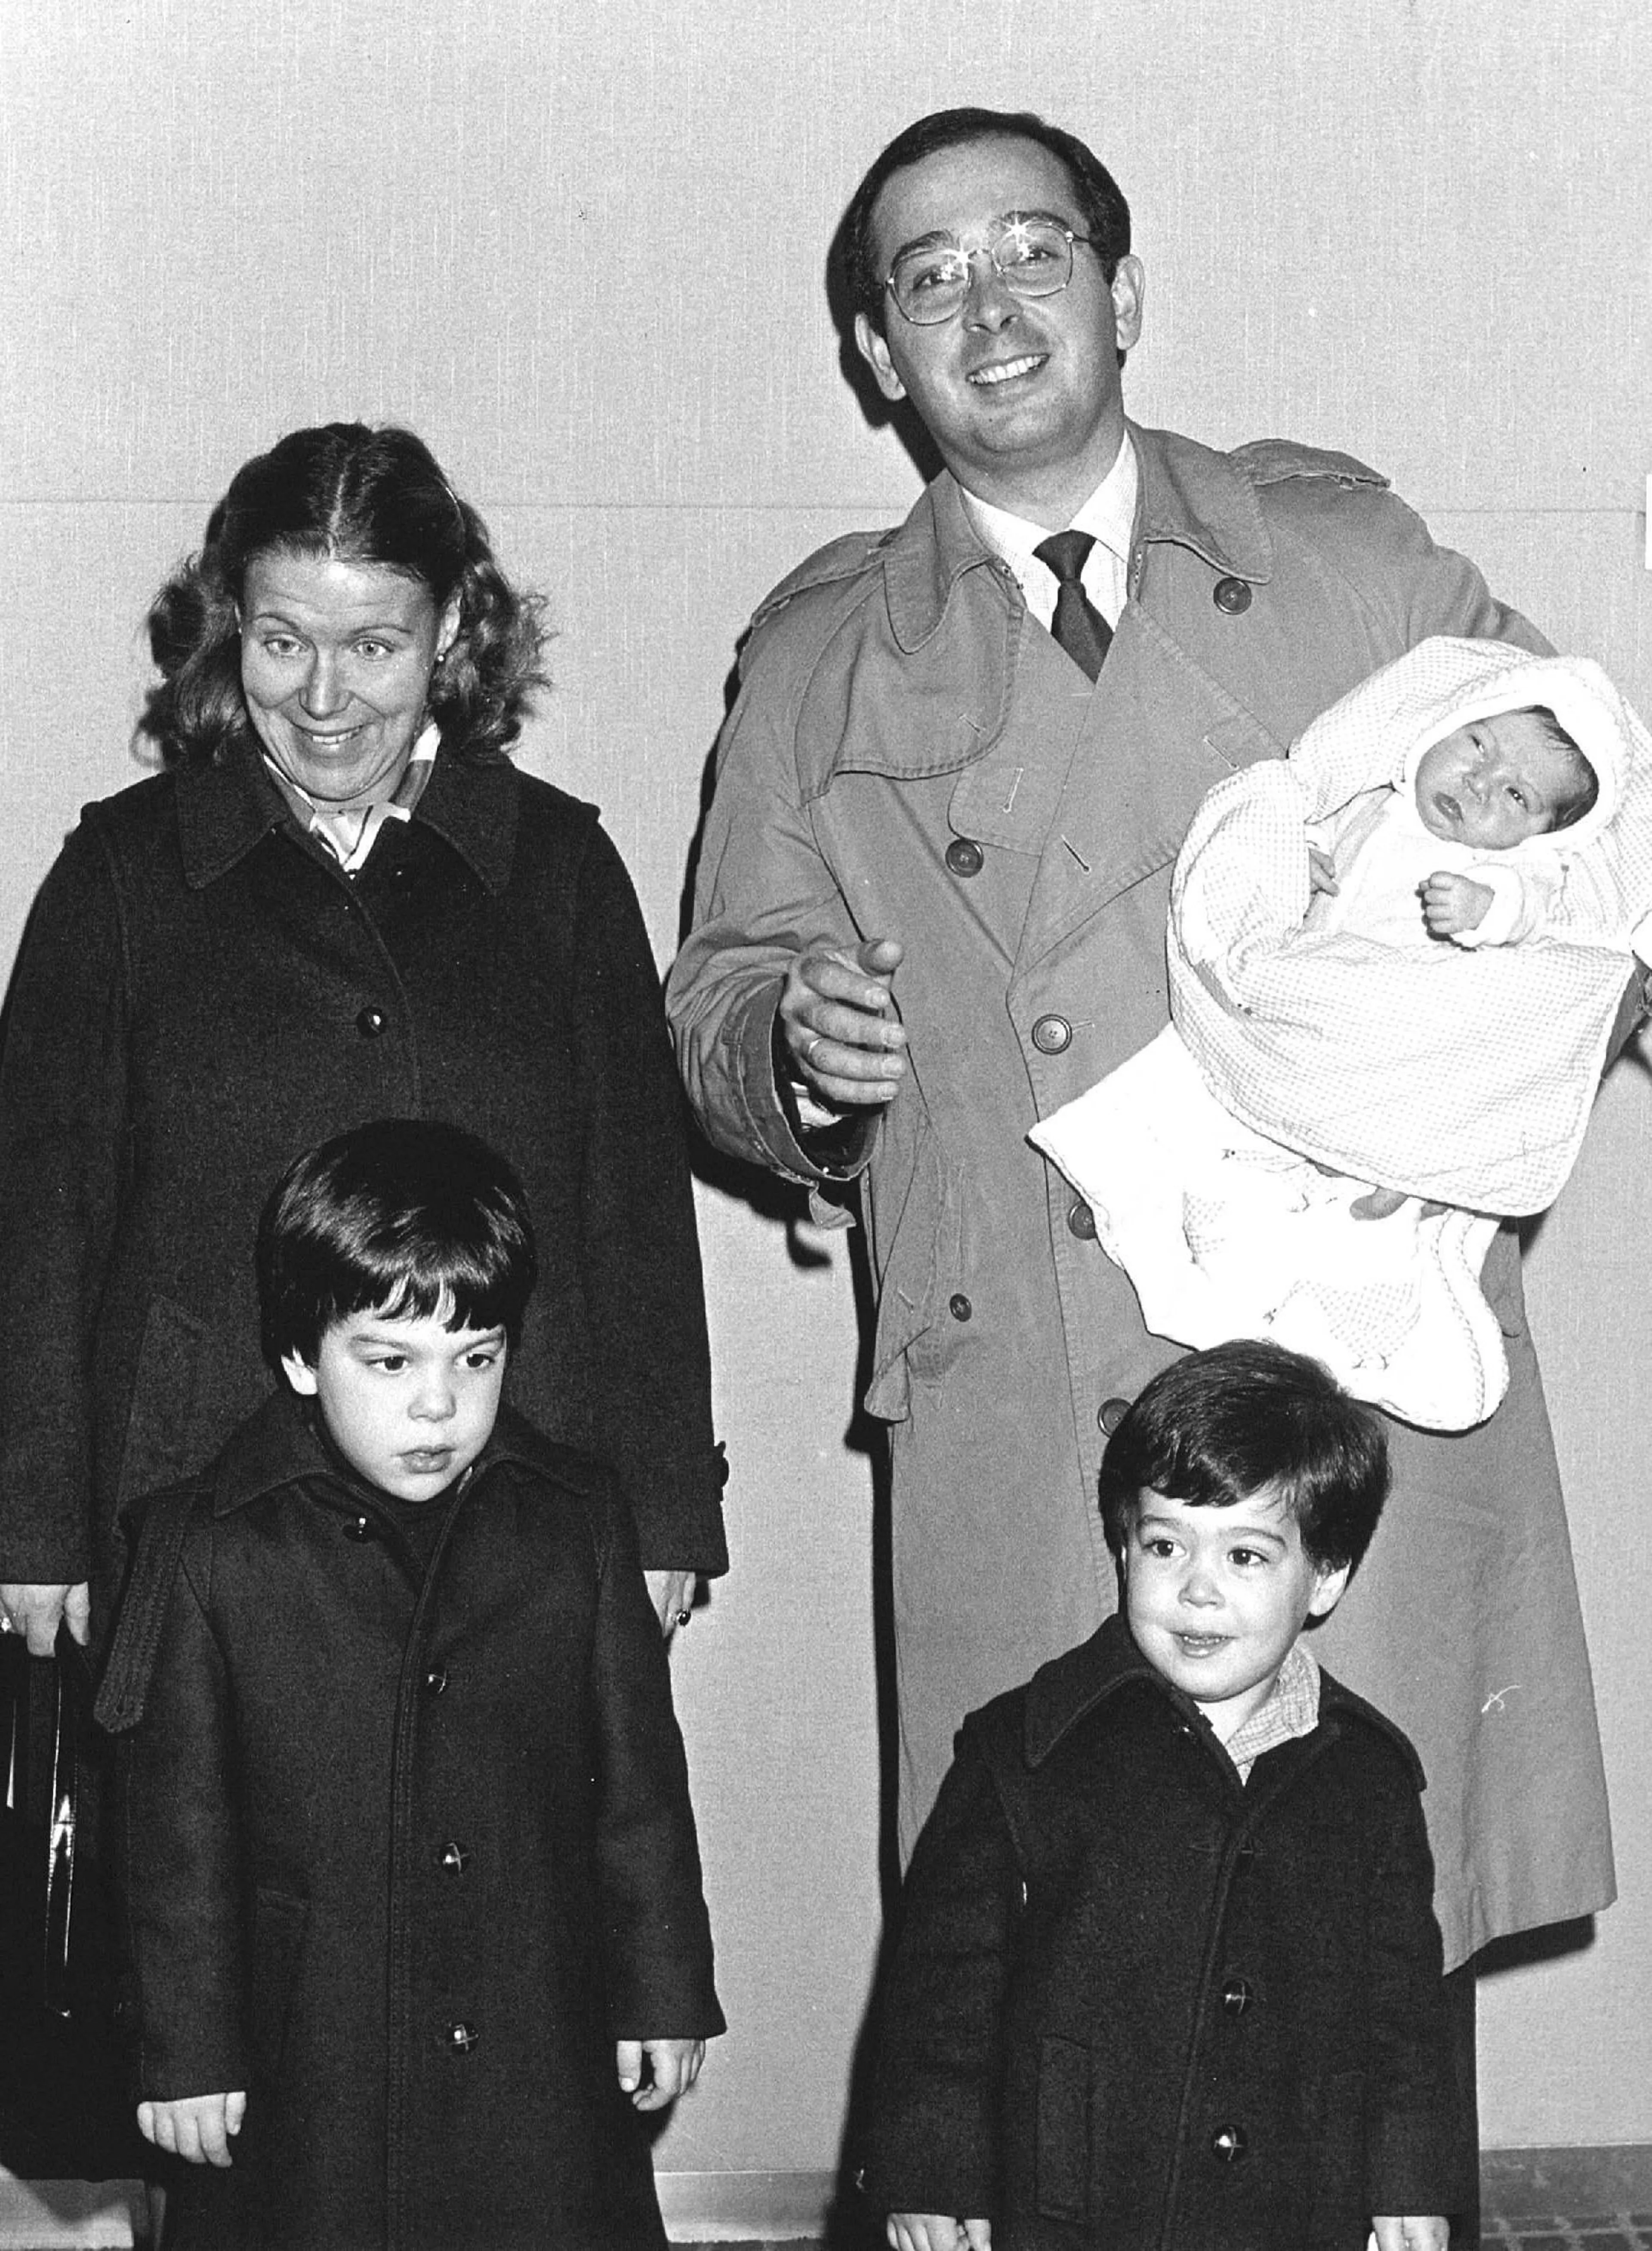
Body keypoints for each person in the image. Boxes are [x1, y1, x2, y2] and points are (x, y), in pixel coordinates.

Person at [666, 105, 1616, 2211]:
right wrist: (789, 1055)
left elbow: (1591, 812)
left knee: (1357, 1948)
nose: (991, 307)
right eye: (931, 275)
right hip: (1037, 1365)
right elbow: (721, 996)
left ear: (1121, 288)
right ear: (870, 348)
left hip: (1341, 1369)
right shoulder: (821, 651)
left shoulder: (1342, 553)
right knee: (1042, 1975)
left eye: (1034, 252)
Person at [0, 419, 725, 1661]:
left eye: (374, 647)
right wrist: (32, 1528)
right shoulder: (119, 876)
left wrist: (667, 1507)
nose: (323, 700)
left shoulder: (559, 872)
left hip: (519, 1522)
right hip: (192, 1523)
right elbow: (39, 1221)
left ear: (450, 636)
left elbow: (639, 1216)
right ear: (233, 628)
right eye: (282, 644)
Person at [96, 1119, 722, 2250]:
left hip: (536, 2034)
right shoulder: (209, 1549)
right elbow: (175, 1837)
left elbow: (641, 1788)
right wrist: (187, 2050)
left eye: (475, 1358)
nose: (438, 1404)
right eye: (391, 1361)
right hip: (309, 2052)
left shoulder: (575, 1522)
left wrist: (662, 1991)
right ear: (300, 1355)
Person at [862, 1342, 1456, 2251]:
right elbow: (942, 1997)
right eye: (1165, 1543)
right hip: (1080, 2201)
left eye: (1248, 1555)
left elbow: (1405, 2016)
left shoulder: (1370, 1777)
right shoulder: (1024, 1753)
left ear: (1327, 1577)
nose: (1197, 1588)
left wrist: (1407, 2181)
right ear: (1122, 1544)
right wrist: (931, 2173)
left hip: (1297, 2203)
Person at [1031, 637, 1652, 1430]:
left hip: (1412, 1052)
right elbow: (1302, 847)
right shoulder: (1369, 803)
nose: (1478, 784)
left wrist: (1487, 906)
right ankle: (1256, 1254)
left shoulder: (1515, 870)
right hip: (1313, 1029)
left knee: (1383, 1191)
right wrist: (1302, 851)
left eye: (1516, 796)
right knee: (1249, 1149)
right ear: (1439, 723)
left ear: (1545, 834)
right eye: (1476, 745)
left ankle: (1383, 1294)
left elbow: (1531, 909)